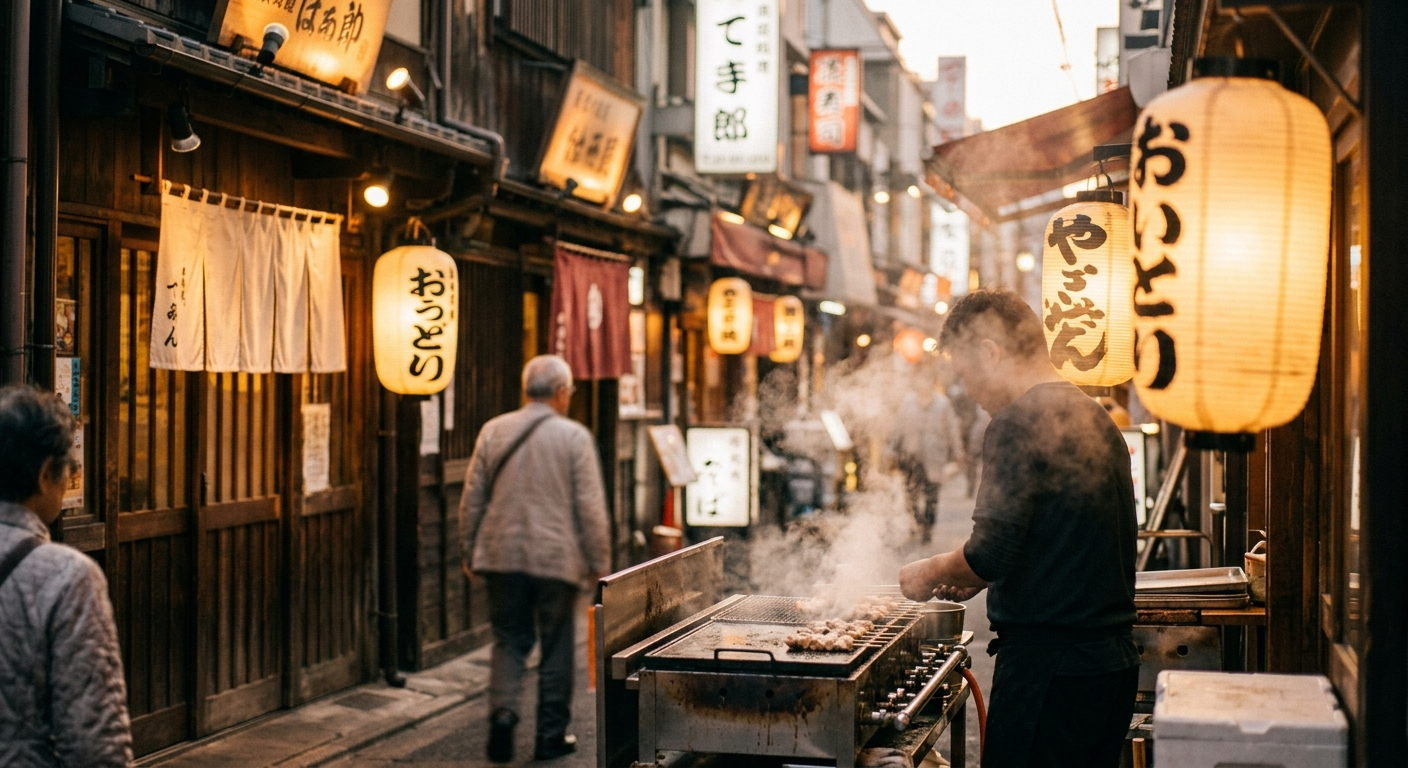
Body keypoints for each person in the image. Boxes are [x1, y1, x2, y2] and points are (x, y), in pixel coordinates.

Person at [898, 290, 1138, 768]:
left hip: (1049, 673)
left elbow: (988, 552)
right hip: (1108, 670)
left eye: (967, 373)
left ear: (991, 351)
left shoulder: (1014, 423)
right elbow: (1054, 536)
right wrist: (978, 574)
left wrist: (926, 571)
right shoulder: (1093, 416)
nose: (969, 390)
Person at [459, 355, 611, 763]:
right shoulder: (574, 437)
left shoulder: (493, 431)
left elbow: (472, 498)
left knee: (508, 639)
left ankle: (504, 713)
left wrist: (468, 549)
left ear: (527, 390)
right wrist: (600, 560)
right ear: (561, 393)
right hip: (555, 559)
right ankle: (551, 736)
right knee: (558, 645)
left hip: (500, 555)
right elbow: (590, 506)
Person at [0, 385, 132, 766]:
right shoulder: (66, 576)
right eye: (70, 467)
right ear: (45, 475)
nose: (72, 475)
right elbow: (94, 739)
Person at [889, 377, 965, 542]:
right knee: (911, 494)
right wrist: (891, 449)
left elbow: (952, 428)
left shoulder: (943, 404)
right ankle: (916, 521)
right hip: (911, 455)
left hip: (935, 457)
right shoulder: (908, 402)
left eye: (927, 380)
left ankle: (928, 528)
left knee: (932, 495)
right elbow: (898, 427)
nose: (923, 384)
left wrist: (957, 452)